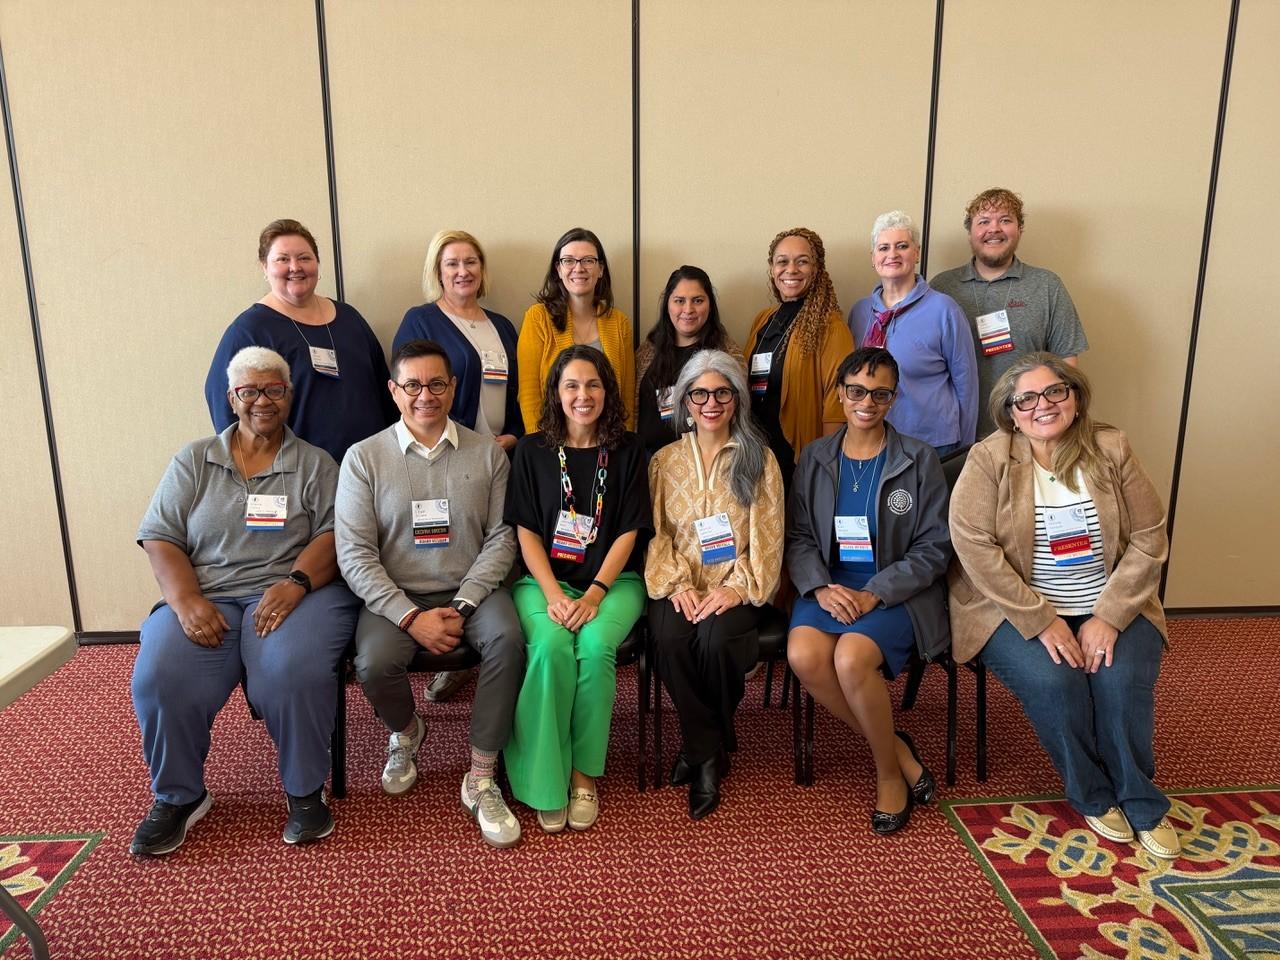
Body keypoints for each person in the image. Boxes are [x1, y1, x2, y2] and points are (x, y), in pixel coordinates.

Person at [948, 353, 1178, 860]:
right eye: (1026, 399)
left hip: (1111, 601)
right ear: (1010, 411)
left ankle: (1140, 799)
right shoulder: (989, 458)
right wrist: (1041, 619)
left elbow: (1148, 536)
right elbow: (973, 547)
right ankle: (1092, 793)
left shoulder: (1109, 447)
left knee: (1119, 681)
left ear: (1075, 397)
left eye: (1055, 392)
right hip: (1011, 607)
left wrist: (1110, 615)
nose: (1042, 406)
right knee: (1058, 681)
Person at [130, 346, 359, 855]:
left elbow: (335, 536)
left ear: (289, 396)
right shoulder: (194, 459)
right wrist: (186, 600)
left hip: (296, 592)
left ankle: (304, 792)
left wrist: (296, 582)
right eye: (250, 390)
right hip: (207, 593)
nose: (262, 400)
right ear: (232, 398)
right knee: (159, 674)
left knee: (291, 670)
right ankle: (179, 796)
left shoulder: (316, 464)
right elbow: (160, 536)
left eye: (273, 389)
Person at [334, 339, 525, 849]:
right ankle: (406, 729)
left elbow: (502, 537)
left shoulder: (487, 455)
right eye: (413, 385)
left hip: (473, 592)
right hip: (393, 595)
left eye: (437, 383)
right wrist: (409, 618)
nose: (426, 395)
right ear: (394, 391)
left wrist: (462, 605)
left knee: (508, 640)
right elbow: (354, 554)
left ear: (453, 387)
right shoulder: (363, 459)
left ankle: (481, 773)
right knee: (372, 662)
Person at [786, 347, 951, 835]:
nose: (866, 402)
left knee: (851, 659)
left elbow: (934, 548)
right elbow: (797, 538)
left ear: (894, 398)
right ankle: (898, 749)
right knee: (804, 656)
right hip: (829, 585)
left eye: (880, 394)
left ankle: (887, 775)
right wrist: (818, 587)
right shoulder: (815, 456)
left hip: (895, 591)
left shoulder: (918, 460)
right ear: (840, 394)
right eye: (856, 391)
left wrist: (874, 593)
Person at [504, 346, 650, 833]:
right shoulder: (532, 450)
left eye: (593, 385)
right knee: (548, 648)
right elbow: (525, 530)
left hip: (614, 582)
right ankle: (543, 780)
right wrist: (554, 595)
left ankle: (584, 775)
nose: (582, 396)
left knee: (595, 646)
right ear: (556, 393)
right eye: (571, 385)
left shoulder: (629, 450)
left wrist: (594, 595)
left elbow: (630, 530)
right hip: (542, 581)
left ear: (607, 391)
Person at [645, 350, 783, 819]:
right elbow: (656, 534)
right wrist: (677, 582)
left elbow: (767, 539)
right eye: (699, 393)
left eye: (721, 392)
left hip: (735, 584)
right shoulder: (664, 461)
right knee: (667, 637)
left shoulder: (760, 460)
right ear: (684, 401)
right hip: (679, 582)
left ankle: (698, 752)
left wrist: (736, 588)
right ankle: (711, 745)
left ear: (737, 399)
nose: (710, 402)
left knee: (717, 639)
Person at [394, 229, 522, 705]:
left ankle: (482, 650)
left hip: (500, 454)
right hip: (446, 454)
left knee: (497, 546)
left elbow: (519, 389)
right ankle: (452, 649)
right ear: (438, 272)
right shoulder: (421, 320)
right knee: (446, 546)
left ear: (483, 270)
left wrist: (516, 437)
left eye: (471, 262)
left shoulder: (503, 326)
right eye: (451, 264)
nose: (463, 271)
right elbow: (413, 391)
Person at [204, 219, 398, 463]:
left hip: (369, 470)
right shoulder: (250, 330)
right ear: (265, 267)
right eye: (282, 259)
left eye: (304, 258)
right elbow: (225, 408)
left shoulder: (349, 318)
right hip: (299, 478)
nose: (295, 267)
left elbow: (385, 391)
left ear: (317, 263)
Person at [929, 188, 1088, 437]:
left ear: (1019, 229)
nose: (994, 229)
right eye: (984, 222)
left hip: (1029, 435)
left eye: (1005, 220)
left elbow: (1068, 366)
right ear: (970, 233)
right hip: (954, 436)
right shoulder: (941, 287)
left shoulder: (1046, 286)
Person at [848, 210, 978, 456]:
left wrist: (964, 453)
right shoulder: (859, 313)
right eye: (883, 248)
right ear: (873, 257)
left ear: (916, 252)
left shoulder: (944, 310)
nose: (892, 255)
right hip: (874, 441)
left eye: (902, 246)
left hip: (933, 445)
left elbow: (967, 386)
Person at [744, 227, 854, 487]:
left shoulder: (830, 325)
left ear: (816, 269)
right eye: (782, 261)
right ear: (772, 268)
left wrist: (825, 466)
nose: (791, 269)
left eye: (802, 261)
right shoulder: (764, 319)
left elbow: (837, 404)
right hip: (759, 451)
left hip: (799, 456)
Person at [517, 228, 635, 433]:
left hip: (608, 442)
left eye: (588, 260)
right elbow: (529, 394)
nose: (578, 268)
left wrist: (623, 443)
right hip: (552, 443)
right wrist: (540, 446)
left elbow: (627, 397)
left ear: (600, 270)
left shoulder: (619, 323)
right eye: (569, 260)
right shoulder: (538, 318)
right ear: (558, 269)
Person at [635, 266, 743, 457]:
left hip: (703, 470)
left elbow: (740, 419)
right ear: (667, 304)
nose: (688, 309)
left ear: (710, 304)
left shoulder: (728, 355)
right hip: (648, 466)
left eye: (698, 301)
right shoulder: (647, 351)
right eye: (679, 301)